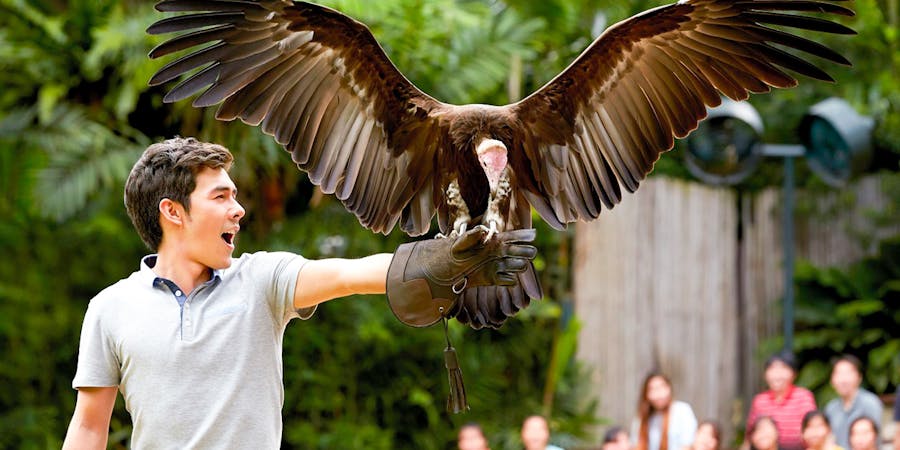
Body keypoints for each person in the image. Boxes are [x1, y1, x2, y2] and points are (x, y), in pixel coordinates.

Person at [61, 137, 537, 448]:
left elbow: (352, 274)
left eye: (236, 195)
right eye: (220, 197)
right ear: (173, 212)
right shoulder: (110, 309)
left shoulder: (262, 280)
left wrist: (447, 258)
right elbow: (88, 425)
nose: (239, 210)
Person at [746, 351, 818, 450]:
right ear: (765, 374)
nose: (777, 375)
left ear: (794, 374)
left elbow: (812, 430)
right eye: (772, 369)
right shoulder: (760, 401)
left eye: (783, 369)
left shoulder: (803, 397)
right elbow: (750, 436)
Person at [824, 355, 884, 450]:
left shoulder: (871, 403)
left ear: (859, 377)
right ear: (832, 380)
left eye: (848, 373)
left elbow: (875, 441)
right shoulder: (831, 408)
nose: (843, 380)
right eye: (838, 374)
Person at [632, 372, 698, 450]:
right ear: (646, 394)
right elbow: (636, 445)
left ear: (669, 388)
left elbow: (688, 445)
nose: (658, 394)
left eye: (661, 387)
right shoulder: (642, 418)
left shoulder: (682, 411)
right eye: (652, 389)